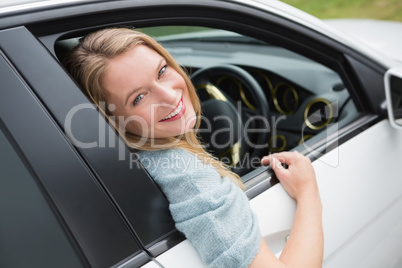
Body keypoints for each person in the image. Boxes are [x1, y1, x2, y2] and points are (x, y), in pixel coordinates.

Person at [64, 27, 323, 268]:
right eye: (139, 97)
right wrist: (307, 191)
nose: (169, 96)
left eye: (162, 71)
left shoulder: (131, 163)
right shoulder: (188, 178)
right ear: (115, 121)